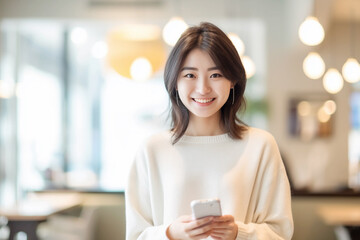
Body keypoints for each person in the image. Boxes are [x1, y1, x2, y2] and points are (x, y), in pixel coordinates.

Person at [125, 22, 293, 240]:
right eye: (190, 75)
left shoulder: (261, 145)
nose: (203, 88)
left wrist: (237, 233)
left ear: (233, 81)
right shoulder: (152, 149)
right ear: (175, 82)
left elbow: (280, 233)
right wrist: (171, 233)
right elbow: (135, 235)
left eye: (215, 75)